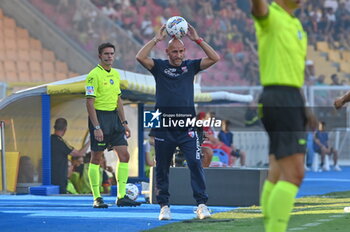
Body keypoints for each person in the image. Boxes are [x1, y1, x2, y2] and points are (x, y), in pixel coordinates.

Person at [136, 24, 220, 220]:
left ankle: (201, 204)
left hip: (187, 127)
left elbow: (215, 58)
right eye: (175, 51)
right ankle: (164, 206)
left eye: (181, 51)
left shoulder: (190, 66)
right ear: (167, 52)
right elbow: (140, 57)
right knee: (162, 167)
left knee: (194, 162)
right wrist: (156, 39)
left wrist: (197, 40)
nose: (179, 54)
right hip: (164, 128)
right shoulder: (159, 66)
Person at [250, 1, 317, 231]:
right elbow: (258, 9)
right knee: (295, 173)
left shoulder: (296, 23)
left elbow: (293, 72)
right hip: (279, 97)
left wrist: (304, 108)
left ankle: (271, 226)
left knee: (277, 173)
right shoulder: (270, 15)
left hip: (292, 98)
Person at [85, 42, 141, 208]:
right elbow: (89, 102)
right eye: (106, 54)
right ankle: (97, 198)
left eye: (112, 54)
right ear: (100, 56)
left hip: (115, 120)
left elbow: (118, 100)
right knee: (96, 158)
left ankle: (121, 196)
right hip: (100, 118)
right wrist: (96, 127)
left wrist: (124, 123)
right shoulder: (93, 75)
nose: (109, 56)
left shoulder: (115, 75)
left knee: (124, 155)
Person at [51, 118, 89, 194]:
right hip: (59, 177)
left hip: (51, 176)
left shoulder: (49, 139)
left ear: (54, 127)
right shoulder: (60, 142)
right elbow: (79, 153)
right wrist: (90, 141)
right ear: (65, 129)